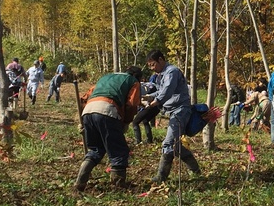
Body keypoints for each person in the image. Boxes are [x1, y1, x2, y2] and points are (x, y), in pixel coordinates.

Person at [73, 66, 143, 191]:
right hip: (108, 111)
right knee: (118, 150)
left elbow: (84, 98)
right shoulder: (133, 81)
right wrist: (126, 122)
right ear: (137, 77)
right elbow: (132, 104)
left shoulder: (106, 78)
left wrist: (83, 121)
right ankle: (118, 184)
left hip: (88, 111)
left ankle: (80, 181)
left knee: (96, 149)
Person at [145, 50, 202, 182]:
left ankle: (161, 177)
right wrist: (149, 97)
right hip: (173, 111)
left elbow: (167, 90)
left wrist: (156, 102)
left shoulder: (172, 72)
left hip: (180, 110)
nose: (152, 68)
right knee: (176, 146)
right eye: (150, 66)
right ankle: (195, 170)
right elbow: (160, 91)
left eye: (153, 65)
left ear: (160, 60)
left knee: (169, 143)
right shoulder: (161, 75)